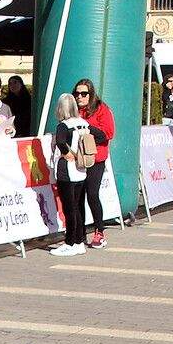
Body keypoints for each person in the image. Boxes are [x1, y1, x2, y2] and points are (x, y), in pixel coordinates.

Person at [74, 78, 114, 249]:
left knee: (92, 194)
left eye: (84, 94)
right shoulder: (74, 110)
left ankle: (99, 231)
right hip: (77, 158)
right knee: (77, 197)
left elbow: (109, 133)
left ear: (91, 94)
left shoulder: (101, 109)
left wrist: (87, 128)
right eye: (77, 93)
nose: (80, 97)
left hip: (95, 158)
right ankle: (79, 233)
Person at [51, 92, 92, 256]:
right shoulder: (84, 123)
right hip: (81, 169)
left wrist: (67, 152)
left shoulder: (63, 125)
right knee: (78, 205)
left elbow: (61, 141)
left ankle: (70, 242)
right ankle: (80, 240)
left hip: (67, 169)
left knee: (69, 208)